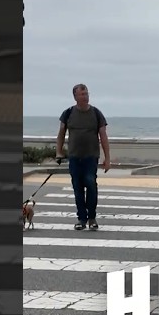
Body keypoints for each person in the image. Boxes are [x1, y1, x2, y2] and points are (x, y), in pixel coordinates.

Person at [55, 84, 111, 230]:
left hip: (91, 157)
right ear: (75, 97)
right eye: (82, 94)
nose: (85, 97)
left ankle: (92, 217)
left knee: (90, 183)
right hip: (74, 157)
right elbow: (61, 134)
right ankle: (82, 219)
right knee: (77, 187)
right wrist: (58, 152)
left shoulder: (96, 113)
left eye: (86, 94)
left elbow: (103, 136)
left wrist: (107, 158)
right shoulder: (68, 113)